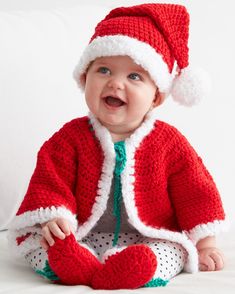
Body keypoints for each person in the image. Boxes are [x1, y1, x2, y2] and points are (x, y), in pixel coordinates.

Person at [8, 3, 227, 290]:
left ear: (156, 97)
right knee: (41, 245)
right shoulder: (69, 138)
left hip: (146, 237)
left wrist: (206, 243)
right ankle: (73, 264)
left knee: (172, 251)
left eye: (134, 76)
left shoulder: (169, 143)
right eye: (103, 70)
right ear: (84, 79)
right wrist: (56, 218)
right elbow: (50, 182)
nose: (115, 83)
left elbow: (196, 191)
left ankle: (139, 267)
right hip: (80, 234)